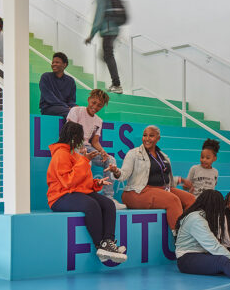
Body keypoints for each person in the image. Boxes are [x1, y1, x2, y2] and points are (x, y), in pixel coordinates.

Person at [47, 121, 127, 264]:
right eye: (80, 137)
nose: (83, 141)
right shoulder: (61, 154)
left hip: (76, 192)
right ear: (73, 137)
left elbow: (82, 180)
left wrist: (96, 183)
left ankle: (108, 242)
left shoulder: (74, 154)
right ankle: (100, 245)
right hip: (60, 196)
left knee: (108, 204)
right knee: (91, 205)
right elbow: (68, 182)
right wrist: (85, 161)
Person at [116, 125, 197, 234]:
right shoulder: (133, 153)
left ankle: (190, 233)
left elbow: (168, 180)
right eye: (145, 135)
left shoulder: (164, 156)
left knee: (191, 200)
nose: (147, 138)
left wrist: (181, 180)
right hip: (137, 192)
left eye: (151, 136)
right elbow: (123, 174)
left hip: (162, 189)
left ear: (158, 138)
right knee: (173, 200)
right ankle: (180, 239)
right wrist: (116, 172)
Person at [65, 89, 119, 201]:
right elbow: (70, 133)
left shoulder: (98, 120)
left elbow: (95, 142)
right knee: (86, 159)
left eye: (99, 105)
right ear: (89, 100)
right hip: (72, 145)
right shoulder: (76, 111)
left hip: (87, 147)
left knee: (111, 160)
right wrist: (81, 148)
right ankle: (82, 195)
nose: (95, 106)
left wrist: (103, 152)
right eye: (93, 102)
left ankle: (109, 197)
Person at [84, 0, 122, 94]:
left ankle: (117, 84)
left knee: (108, 55)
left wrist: (91, 35)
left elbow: (98, 18)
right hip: (113, 31)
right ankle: (115, 83)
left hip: (108, 31)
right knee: (106, 55)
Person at [38, 52, 76, 116]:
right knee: (72, 113)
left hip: (65, 108)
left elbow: (71, 101)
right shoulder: (45, 77)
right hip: (48, 108)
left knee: (81, 112)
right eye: (53, 62)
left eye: (57, 62)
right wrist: (66, 107)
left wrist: (76, 107)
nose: (54, 64)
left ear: (64, 65)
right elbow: (49, 98)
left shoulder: (71, 81)